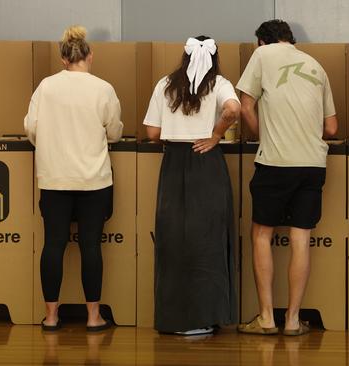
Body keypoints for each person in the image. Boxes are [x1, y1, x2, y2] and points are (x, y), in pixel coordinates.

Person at [236, 19, 338, 336]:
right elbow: (332, 128)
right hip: (312, 164)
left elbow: (245, 104)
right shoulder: (316, 65)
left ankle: (267, 318)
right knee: (301, 239)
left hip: (276, 161)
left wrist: (261, 134)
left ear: (262, 42)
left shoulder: (263, 56)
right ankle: (293, 321)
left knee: (262, 235)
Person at [24, 25, 122, 332]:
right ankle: (94, 317)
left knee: (53, 245)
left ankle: (51, 317)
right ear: (90, 55)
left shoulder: (46, 87)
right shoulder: (103, 88)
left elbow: (31, 129)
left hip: (54, 180)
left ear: (63, 58)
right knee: (91, 248)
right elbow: (115, 132)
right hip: (93, 181)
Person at [143, 36, 240, 336]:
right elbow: (234, 110)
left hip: (173, 164)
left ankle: (174, 319)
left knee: (173, 240)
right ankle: (204, 317)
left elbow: (151, 132)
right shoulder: (220, 83)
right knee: (207, 239)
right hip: (206, 161)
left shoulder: (165, 85)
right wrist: (215, 135)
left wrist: (175, 133)